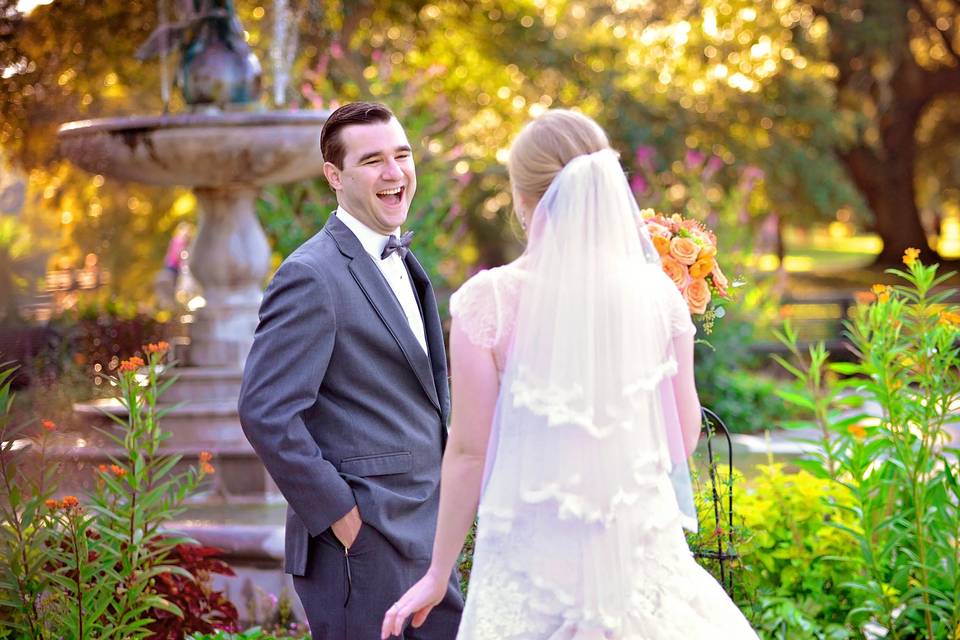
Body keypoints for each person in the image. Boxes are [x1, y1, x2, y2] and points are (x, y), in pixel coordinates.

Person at [381, 110, 758, 639]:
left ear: (522, 197)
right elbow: (681, 440)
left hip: (530, 567)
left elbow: (469, 451)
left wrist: (437, 574)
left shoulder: (488, 303)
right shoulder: (660, 299)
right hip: (635, 559)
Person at [238, 101, 463, 639]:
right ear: (334, 176)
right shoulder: (311, 275)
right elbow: (265, 411)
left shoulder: (404, 260)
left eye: (402, 155)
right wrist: (343, 519)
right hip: (360, 550)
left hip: (424, 535)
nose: (394, 172)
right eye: (372, 161)